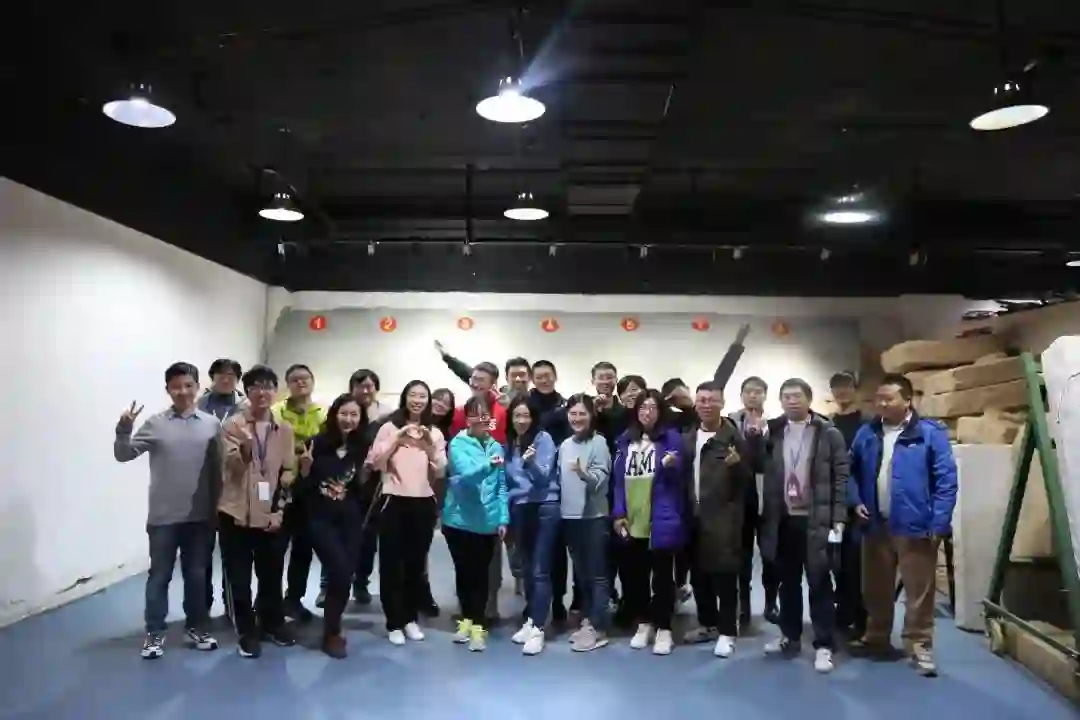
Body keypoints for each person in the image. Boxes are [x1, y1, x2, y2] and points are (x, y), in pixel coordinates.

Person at [849, 374, 957, 677]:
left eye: (889, 398)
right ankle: (877, 636)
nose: (882, 404)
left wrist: (939, 523)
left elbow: (946, 481)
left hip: (915, 526)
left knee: (918, 592)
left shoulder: (930, 434)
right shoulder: (867, 433)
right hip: (875, 524)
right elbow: (850, 471)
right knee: (875, 588)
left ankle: (919, 645)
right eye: (878, 398)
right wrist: (855, 500)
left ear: (908, 400)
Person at [113, 361, 221, 659]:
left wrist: (218, 508)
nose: (183, 391)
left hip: (200, 517)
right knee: (159, 577)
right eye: (176, 387)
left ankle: (196, 627)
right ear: (168, 390)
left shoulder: (212, 425)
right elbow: (123, 455)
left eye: (188, 385)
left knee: (197, 577)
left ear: (198, 388)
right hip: (163, 518)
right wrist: (124, 430)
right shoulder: (156, 423)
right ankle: (154, 633)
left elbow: (218, 471)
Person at [759, 378, 849, 674]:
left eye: (797, 396)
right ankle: (790, 636)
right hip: (782, 519)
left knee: (819, 581)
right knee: (788, 582)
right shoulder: (773, 432)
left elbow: (840, 477)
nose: (791, 401)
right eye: (786, 396)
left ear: (809, 400)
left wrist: (838, 518)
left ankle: (824, 644)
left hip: (816, 519)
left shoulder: (828, 433)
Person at [218, 365, 298, 658]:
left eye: (268, 386)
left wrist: (280, 509)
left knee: (272, 574)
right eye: (255, 387)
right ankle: (246, 631)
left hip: (270, 514)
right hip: (235, 513)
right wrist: (246, 450)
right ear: (247, 391)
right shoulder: (233, 426)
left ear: (275, 391)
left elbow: (288, 471)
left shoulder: (284, 429)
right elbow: (230, 467)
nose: (262, 392)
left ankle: (272, 622)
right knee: (239, 578)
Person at [367, 380, 447, 646]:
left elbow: (441, 470)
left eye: (423, 396)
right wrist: (397, 440)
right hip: (393, 501)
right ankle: (394, 622)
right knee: (392, 565)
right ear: (404, 398)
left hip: (423, 503)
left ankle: (410, 618)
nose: (418, 400)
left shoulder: (434, 432)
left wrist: (428, 446)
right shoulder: (388, 427)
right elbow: (375, 463)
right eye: (413, 395)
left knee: (415, 564)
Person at [296, 393, 376, 658]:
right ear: (334, 415)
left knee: (345, 574)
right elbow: (301, 488)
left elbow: (363, 492)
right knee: (339, 570)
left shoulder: (364, 447)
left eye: (354, 415)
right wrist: (305, 469)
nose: (348, 419)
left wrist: (366, 475)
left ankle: (333, 624)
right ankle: (332, 632)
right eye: (344, 413)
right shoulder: (316, 444)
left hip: (351, 520)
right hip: (320, 520)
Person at [612, 389, 685, 655]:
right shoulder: (625, 440)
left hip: (660, 519)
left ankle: (664, 627)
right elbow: (618, 482)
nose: (647, 412)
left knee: (663, 578)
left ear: (660, 411)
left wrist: (673, 465)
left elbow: (680, 478)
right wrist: (618, 513)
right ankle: (644, 623)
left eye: (653, 407)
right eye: (643, 407)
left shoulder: (671, 438)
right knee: (636, 577)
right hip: (632, 519)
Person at [681, 381, 751, 658]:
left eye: (712, 400)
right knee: (699, 576)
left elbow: (748, 482)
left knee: (725, 577)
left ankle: (727, 631)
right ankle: (707, 624)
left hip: (724, 519)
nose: (707, 405)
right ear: (695, 404)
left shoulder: (734, 438)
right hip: (692, 517)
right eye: (702, 400)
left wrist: (738, 466)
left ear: (722, 403)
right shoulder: (688, 437)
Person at [443, 395, 510, 652]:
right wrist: (487, 466)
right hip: (458, 521)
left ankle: (479, 627)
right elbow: (466, 476)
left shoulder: (496, 447)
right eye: (476, 414)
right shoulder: (458, 444)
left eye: (486, 414)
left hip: (487, 523)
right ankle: (467, 621)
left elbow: (501, 486)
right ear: (467, 418)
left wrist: (503, 517)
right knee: (464, 574)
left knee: (482, 577)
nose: (482, 419)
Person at [505, 396, 560, 655]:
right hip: (520, 508)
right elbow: (508, 483)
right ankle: (530, 619)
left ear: (533, 418)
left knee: (540, 570)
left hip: (544, 506)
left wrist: (531, 462)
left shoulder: (543, 439)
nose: (521, 420)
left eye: (526, 415)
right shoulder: (509, 444)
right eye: (517, 415)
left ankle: (538, 627)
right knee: (526, 568)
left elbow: (544, 477)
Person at [559, 394, 613, 652]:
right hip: (570, 518)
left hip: (594, 517)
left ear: (591, 416)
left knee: (598, 574)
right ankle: (588, 620)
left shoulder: (599, 443)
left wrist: (584, 475)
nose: (577, 418)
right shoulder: (565, 445)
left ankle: (598, 627)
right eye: (573, 413)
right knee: (582, 575)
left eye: (582, 413)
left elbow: (601, 479)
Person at [274, 364, 327, 622]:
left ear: (312, 381)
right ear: (288, 385)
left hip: (311, 490)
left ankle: (293, 600)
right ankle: (270, 603)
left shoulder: (323, 413)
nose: (300, 382)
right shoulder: (277, 412)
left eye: (305, 378)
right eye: (294, 379)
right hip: (281, 487)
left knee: (303, 549)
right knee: (275, 549)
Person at [728, 375, 779, 627]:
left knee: (770, 554)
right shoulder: (729, 423)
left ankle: (771, 602)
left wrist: (761, 437)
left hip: (769, 496)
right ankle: (743, 604)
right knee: (742, 554)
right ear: (741, 395)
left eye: (758, 391)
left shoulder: (776, 424)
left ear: (765, 396)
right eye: (748, 391)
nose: (753, 395)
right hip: (739, 497)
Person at [195, 357, 244, 614]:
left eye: (231, 375)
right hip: (203, 486)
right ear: (212, 377)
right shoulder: (198, 406)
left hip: (234, 486)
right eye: (220, 374)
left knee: (232, 555)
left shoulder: (245, 407)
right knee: (201, 554)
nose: (226, 379)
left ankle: (231, 606)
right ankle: (202, 606)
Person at [827, 371, 870, 644]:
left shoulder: (868, 424)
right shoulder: (826, 423)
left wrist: (857, 499)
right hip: (831, 502)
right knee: (836, 562)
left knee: (857, 563)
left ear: (856, 389)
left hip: (859, 502)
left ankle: (861, 618)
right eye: (837, 387)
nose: (842, 391)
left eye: (847, 386)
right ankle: (842, 612)